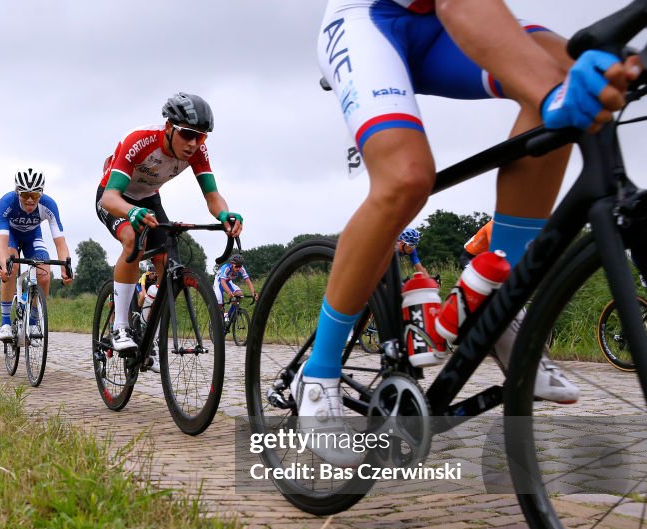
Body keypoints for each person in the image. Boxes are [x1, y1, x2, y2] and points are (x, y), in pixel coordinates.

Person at [294, 0, 641, 422]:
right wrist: (553, 92)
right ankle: (318, 373)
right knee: (407, 178)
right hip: (370, 18)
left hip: (441, 27)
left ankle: (497, 310)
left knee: (569, 77)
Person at [96, 92, 244, 351]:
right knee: (132, 239)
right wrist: (130, 212)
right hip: (115, 197)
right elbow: (110, 197)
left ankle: (148, 327)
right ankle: (120, 327)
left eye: (201, 136)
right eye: (187, 134)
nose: (193, 143)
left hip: (149, 199)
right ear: (168, 128)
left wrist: (224, 215)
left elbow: (212, 196)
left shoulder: (197, 151)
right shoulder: (140, 141)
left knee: (167, 261)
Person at [0, 169, 73, 342]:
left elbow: (60, 241)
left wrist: (65, 266)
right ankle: (5, 322)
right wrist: (2, 263)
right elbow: (0, 240)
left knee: (44, 274)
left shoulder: (49, 205)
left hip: (33, 237)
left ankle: (33, 319)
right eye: (25, 194)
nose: (30, 199)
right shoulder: (7, 202)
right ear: (17, 192)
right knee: (11, 266)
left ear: (41, 193)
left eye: (35, 195)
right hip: (11, 237)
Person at [214, 253, 257, 322]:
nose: (238, 268)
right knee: (219, 302)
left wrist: (253, 293)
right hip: (219, 283)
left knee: (239, 294)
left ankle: (229, 316)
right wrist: (229, 292)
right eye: (236, 266)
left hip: (228, 282)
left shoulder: (241, 268)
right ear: (231, 264)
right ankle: (219, 319)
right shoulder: (226, 268)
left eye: (240, 266)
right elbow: (222, 282)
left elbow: (248, 281)